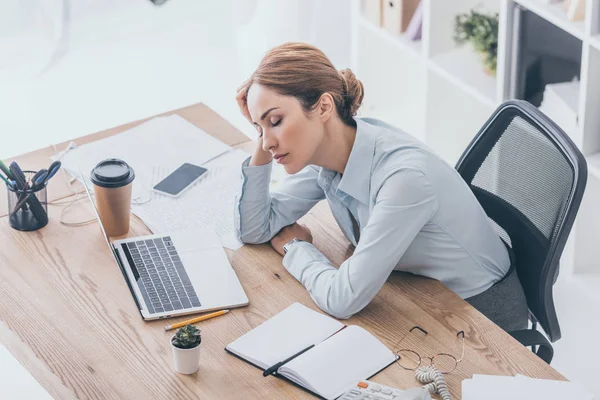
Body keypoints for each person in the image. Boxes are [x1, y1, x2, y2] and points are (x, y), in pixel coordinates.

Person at [233, 42, 528, 332]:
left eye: (276, 121)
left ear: (323, 106)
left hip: (482, 318)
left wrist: (297, 248)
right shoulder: (329, 150)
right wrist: (262, 131)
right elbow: (254, 228)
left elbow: (342, 299)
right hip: (417, 291)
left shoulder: (403, 179)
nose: (267, 142)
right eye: (259, 129)